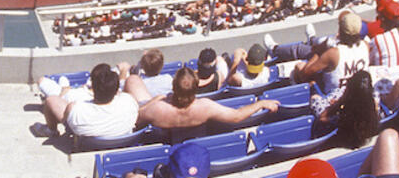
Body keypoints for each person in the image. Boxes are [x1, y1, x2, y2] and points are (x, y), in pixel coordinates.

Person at [136, 68, 279, 132]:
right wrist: (260, 103)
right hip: (195, 141)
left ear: (173, 87)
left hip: (164, 143)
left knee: (133, 81)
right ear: (196, 88)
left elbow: (134, 119)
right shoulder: (205, 106)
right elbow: (236, 116)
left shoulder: (157, 108)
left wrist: (155, 100)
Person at [33, 63, 137, 139]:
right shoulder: (129, 101)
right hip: (120, 138)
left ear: (93, 87)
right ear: (116, 91)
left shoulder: (76, 108)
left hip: (87, 141)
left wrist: (65, 91)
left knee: (51, 100)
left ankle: (51, 130)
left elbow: (66, 119)